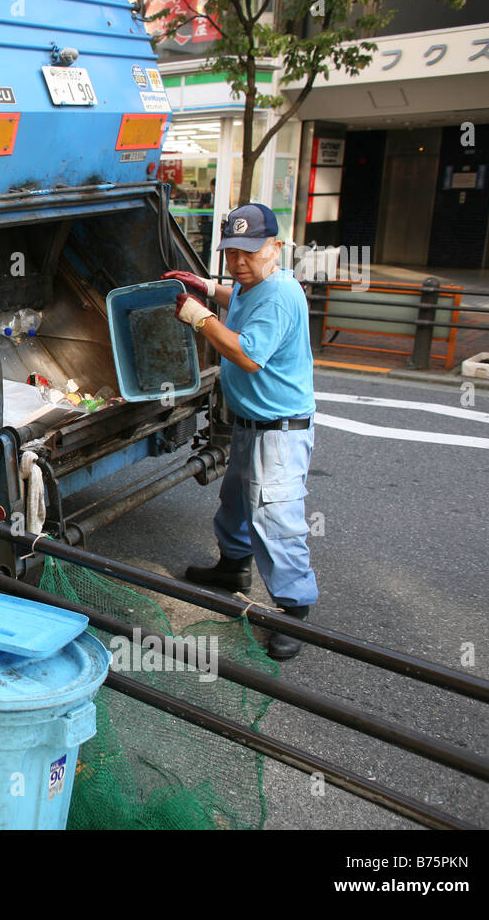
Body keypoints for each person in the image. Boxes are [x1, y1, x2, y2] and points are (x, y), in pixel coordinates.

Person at [162, 202, 317, 660]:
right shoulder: (256, 283)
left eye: (250, 252)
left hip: (279, 431)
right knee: (236, 501)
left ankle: (296, 611)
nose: (239, 262)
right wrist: (208, 288)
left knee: (275, 516)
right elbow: (241, 299)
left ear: (276, 247)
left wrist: (199, 315)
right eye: (231, 252)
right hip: (253, 423)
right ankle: (233, 568)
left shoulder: (280, 294)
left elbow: (248, 355)